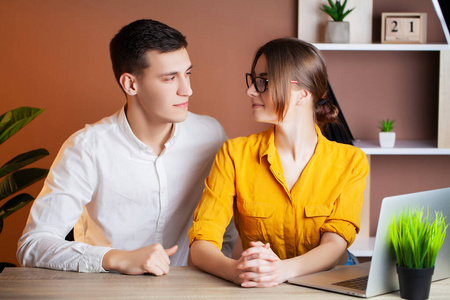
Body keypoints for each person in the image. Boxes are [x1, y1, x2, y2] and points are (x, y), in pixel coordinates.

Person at [17, 19, 236, 275]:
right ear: (131, 84)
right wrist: (117, 259)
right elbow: (32, 244)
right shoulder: (86, 148)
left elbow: (225, 233)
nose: (187, 90)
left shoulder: (211, 135)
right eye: (169, 78)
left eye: (187, 73)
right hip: (107, 290)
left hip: (190, 290)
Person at [188, 38, 369, 287]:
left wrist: (281, 270)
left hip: (330, 283)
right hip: (260, 283)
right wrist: (237, 270)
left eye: (263, 82)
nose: (250, 91)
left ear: (302, 94)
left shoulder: (351, 161)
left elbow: (335, 245)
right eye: (252, 81)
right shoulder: (234, 154)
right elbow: (201, 244)